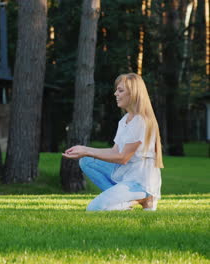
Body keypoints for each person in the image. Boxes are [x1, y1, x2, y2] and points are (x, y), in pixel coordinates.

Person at [62, 73, 163, 211]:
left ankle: (143, 198)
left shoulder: (140, 121)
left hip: (140, 182)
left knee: (94, 209)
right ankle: (123, 200)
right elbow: (115, 151)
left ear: (133, 94)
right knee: (86, 160)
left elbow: (122, 158)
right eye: (117, 90)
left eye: (120, 90)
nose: (116, 93)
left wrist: (86, 150)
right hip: (126, 175)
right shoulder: (125, 120)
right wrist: (84, 150)